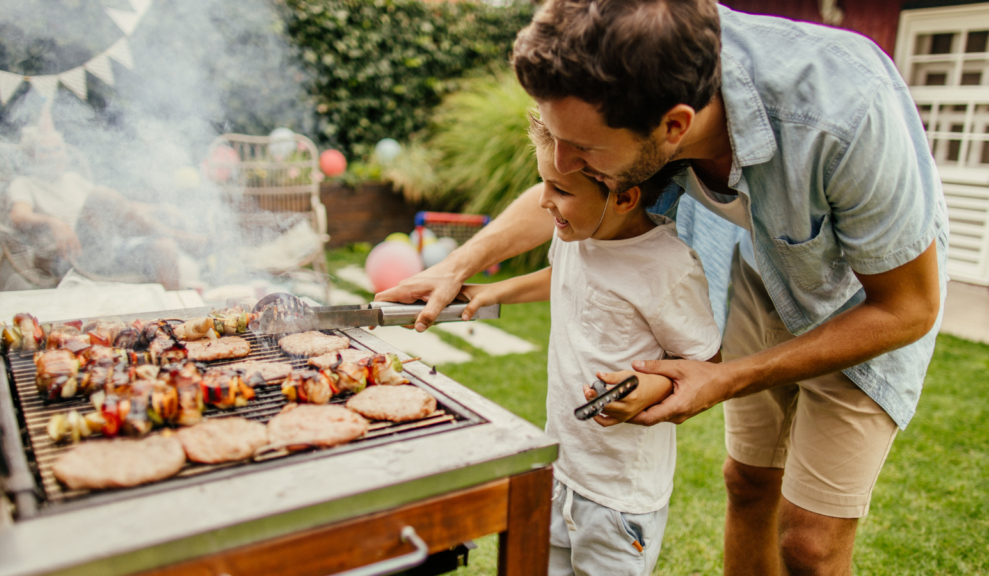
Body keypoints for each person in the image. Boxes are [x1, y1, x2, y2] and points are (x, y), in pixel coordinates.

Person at [378, 1, 949, 574]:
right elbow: (570, 188)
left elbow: (909, 307)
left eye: (584, 149)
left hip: (863, 298)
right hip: (760, 265)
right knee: (748, 482)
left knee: (810, 544)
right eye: (555, 137)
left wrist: (726, 376)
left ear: (674, 128)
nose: (561, 161)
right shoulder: (641, 87)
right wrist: (460, 265)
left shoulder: (845, 114)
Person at [459, 115, 720, 575]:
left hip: (619, 495)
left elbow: (704, 361)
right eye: (544, 183)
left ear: (623, 197)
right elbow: (563, 276)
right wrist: (493, 291)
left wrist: (649, 387)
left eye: (560, 190)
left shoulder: (668, 268)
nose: (544, 202)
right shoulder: (578, 236)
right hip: (561, 468)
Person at [7, 109, 205, 290]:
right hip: (68, 256)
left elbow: (118, 207)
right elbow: (18, 215)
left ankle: (174, 318)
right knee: (101, 195)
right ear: (31, 156)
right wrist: (53, 221)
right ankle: (179, 237)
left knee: (164, 246)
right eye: (45, 151)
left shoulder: (73, 180)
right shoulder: (24, 183)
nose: (53, 155)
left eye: (58, 149)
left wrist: (159, 208)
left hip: (104, 252)